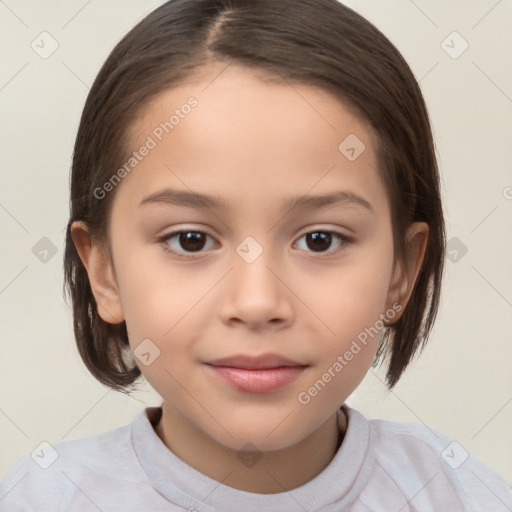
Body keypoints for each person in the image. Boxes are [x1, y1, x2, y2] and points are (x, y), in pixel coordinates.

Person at [1, 0, 511, 510]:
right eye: (191, 240)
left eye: (320, 240)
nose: (256, 302)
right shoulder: (42, 498)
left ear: (401, 271)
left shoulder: (461, 496)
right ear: (104, 272)